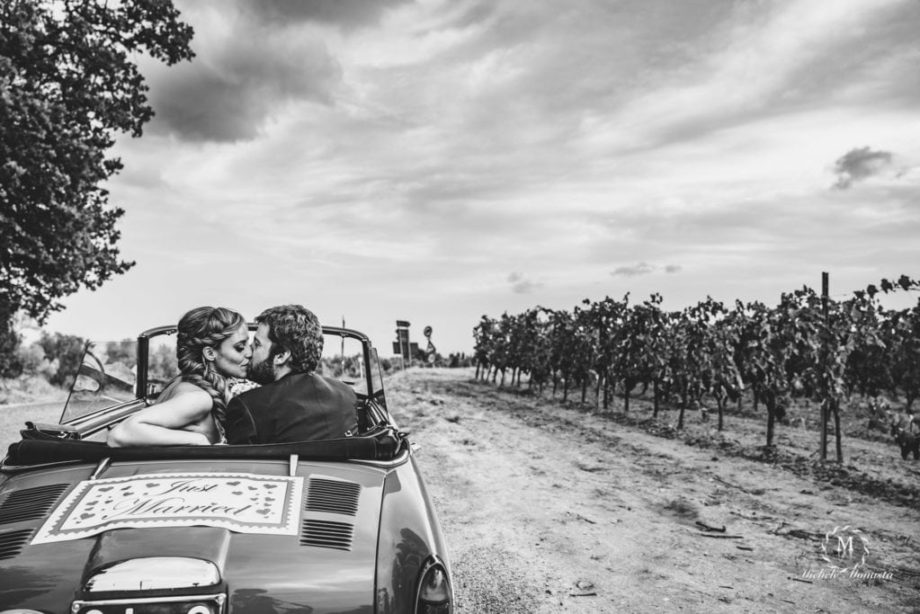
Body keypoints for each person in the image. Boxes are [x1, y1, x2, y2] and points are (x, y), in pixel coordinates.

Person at [107, 306, 251, 446]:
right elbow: (120, 434)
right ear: (210, 353)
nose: (249, 353)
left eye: (249, 344)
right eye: (240, 347)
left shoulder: (180, 383)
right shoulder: (198, 398)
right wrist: (197, 440)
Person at [224, 304, 357, 444]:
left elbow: (237, 465)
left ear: (281, 355)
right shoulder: (346, 394)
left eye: (257, 344)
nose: (249, 351)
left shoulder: (247, 407)